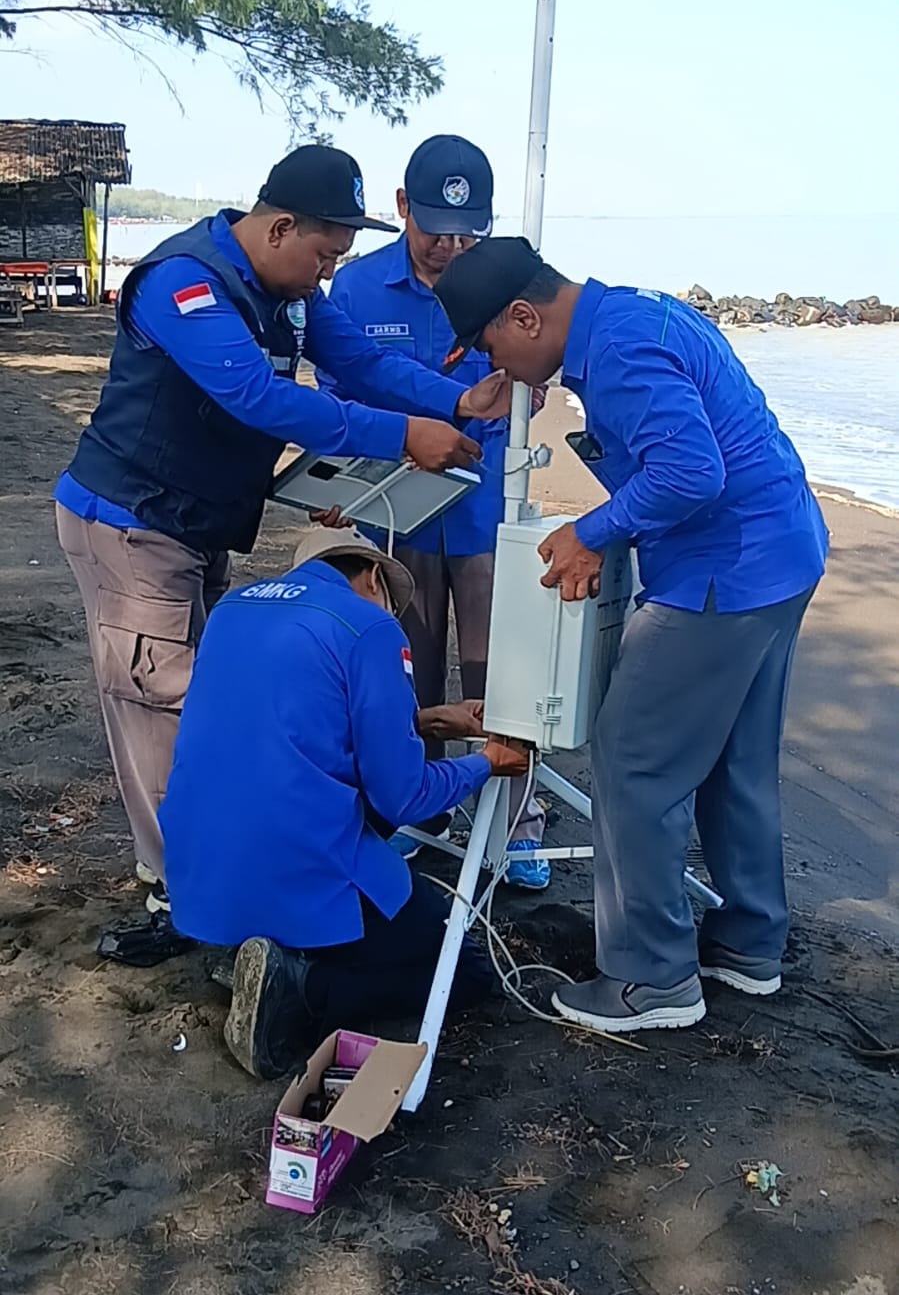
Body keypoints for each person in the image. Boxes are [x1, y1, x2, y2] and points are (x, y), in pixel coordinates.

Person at [55, 146, 512, 918]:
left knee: (212, 698)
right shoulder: (184, 283)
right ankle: (181, 886)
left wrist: (456, 403)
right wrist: (404, 434)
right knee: (160, 700)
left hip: (199, 523)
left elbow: (361, 361)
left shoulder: (290, 292)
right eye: (324, 253)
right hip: (131, 523)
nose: (328, 273)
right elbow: (258, 398)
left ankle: (206, 862)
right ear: (280, 228)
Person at [433, 236, 828, 1034]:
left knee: (633, 759)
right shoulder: (632, 311)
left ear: (523, 314)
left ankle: (651, 979)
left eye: (489, 345)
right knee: (734, 759)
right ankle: (748, 945)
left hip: (723, 571)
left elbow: (691, 472)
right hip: (783, 547)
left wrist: (592, 531)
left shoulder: (613, 350)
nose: (490, 361)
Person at [159, 524, 529, 1078]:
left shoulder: (235, 610)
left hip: (199, 867)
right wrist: (486, 763)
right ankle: (302, 985)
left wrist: (426, 721)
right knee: (465, 971)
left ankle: (253, 952)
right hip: (294, 861)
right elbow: (403, 797)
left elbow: (299, 725)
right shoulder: (371, 627)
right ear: (373, 576)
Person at [317, 135, 550, 889]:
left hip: (486, 511)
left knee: (500, 674)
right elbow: (337, 402)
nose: (450, 247)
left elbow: (531, 370)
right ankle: (419, 807)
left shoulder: (506, 282)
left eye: (466, 233)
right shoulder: (352, 292)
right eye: (434, 230)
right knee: (405, 671)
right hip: (393, 512)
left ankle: (514, 822)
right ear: (399, 210)